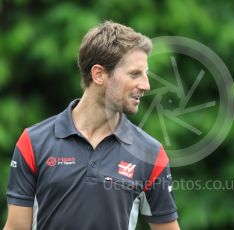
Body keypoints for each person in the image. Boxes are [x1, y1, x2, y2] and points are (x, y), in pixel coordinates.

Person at [4, 20, 180, 230]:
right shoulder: (33, 143)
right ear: (99, 74)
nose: (146, 85)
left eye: (145, 74)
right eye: (134, 74)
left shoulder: (151, 153)